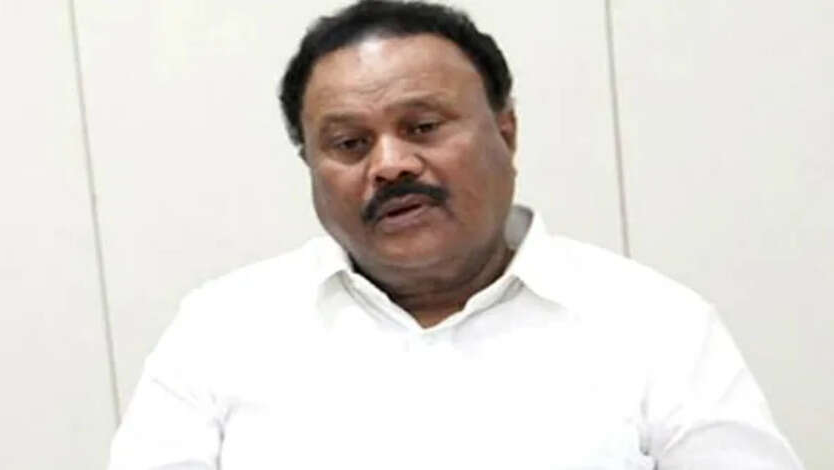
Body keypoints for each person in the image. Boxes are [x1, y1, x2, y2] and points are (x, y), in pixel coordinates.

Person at [108, 1, 804, 468]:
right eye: (350, 143)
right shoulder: (222, 332)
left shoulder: (654, 326)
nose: (390, 165)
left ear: (506, 131)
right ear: (311, 167)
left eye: (423, 127)